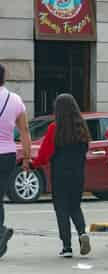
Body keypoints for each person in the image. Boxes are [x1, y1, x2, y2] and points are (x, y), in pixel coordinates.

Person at [32, 94, 91, 258]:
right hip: (78, 174)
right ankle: (82, 233)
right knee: (75, 206)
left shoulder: (54, 128)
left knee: (62, 210)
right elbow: (85, 150)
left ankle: (67, 247)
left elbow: (45, 154)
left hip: (60, 175)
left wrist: (33, 164)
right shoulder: (82, 129)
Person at [0, 64, 31, 258]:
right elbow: (25, 131)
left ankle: (1, 232)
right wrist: (27, 158)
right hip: (8, 155)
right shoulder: (15, 100)